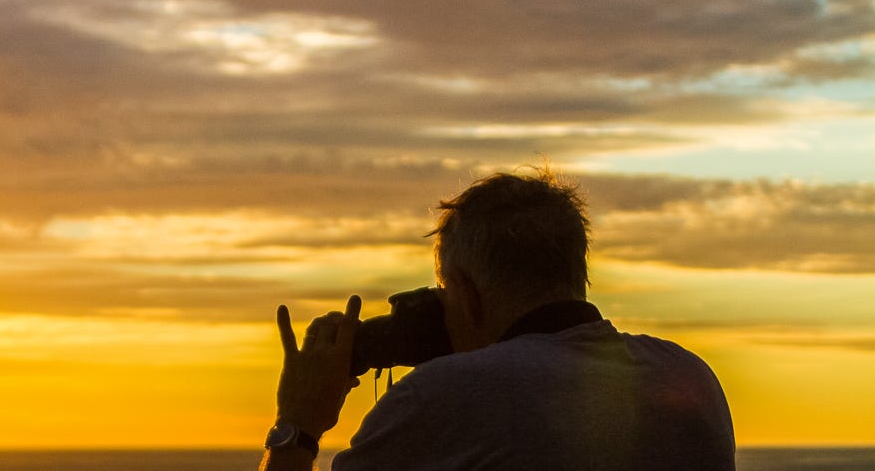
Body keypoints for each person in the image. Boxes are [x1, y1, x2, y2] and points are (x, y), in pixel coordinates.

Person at [259, 170, 735, 470]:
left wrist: (297, 425)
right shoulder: (688, 378)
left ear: (466, 293)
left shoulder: (443, 394)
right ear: (576, 271)